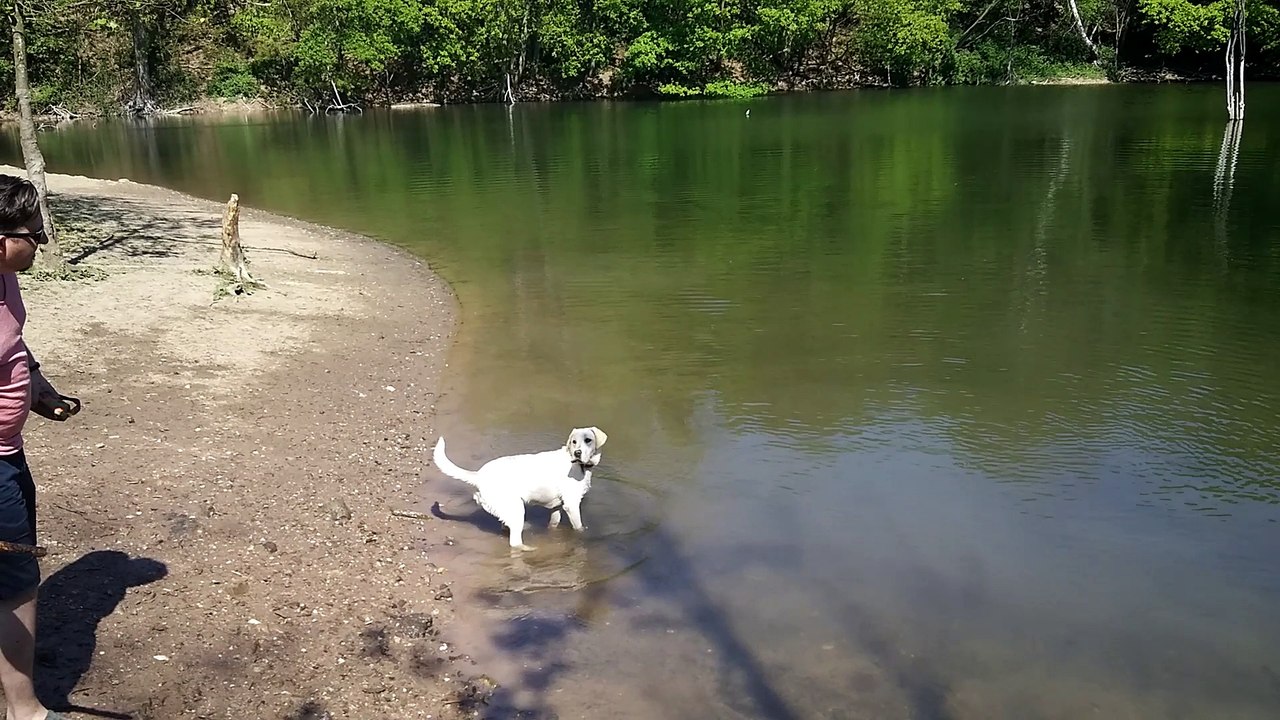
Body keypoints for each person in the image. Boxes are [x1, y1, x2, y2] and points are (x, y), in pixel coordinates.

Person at [0, 174, 80, 720]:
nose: (41, 241)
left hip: (9, 450)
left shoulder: (6, 279)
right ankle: (25, 712)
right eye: (33, 233)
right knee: (15, 582)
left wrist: (35, 385)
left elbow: (13, 341)